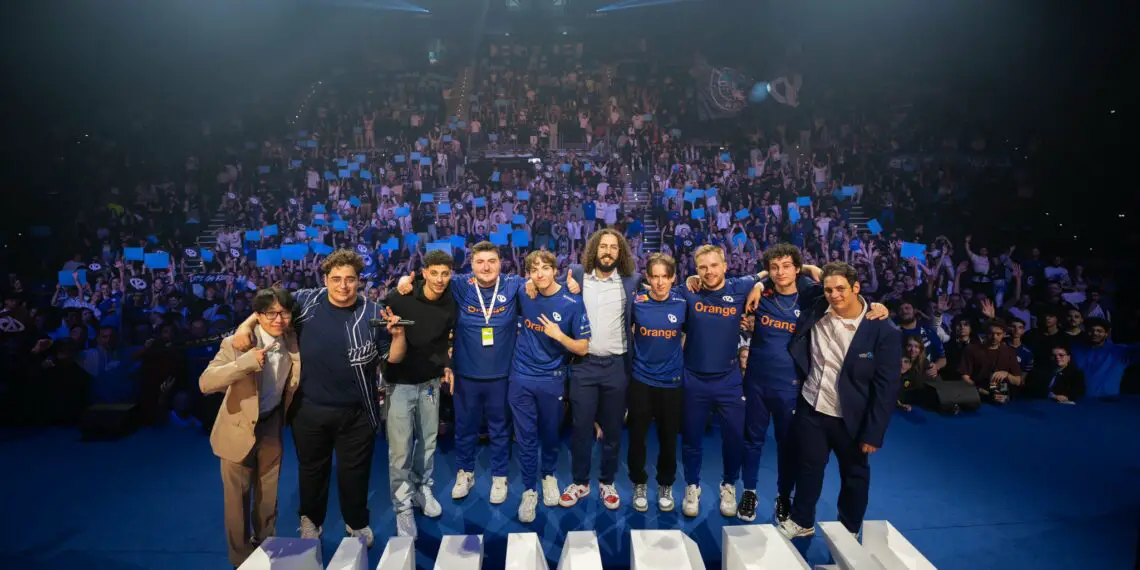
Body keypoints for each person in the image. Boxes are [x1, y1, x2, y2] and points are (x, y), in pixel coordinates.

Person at [233, 250, 407, 547]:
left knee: (355, 472)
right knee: (312, 469)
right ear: (325, 279)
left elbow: (392, 359)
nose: (343, 286)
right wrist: (246, 325)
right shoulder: (305, 300)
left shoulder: (375, 312)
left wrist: (399, 336)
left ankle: (356, 522)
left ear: (359, 281)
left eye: (350, 279)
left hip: (358, 410)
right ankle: (310, 520)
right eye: (336, 279)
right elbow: (267, 307)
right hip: (308, 408)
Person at [735, 244, 885, 523]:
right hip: (756, 382)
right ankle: (750, 491)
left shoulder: (813, 298)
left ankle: (783, 495)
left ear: (796, 268)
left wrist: (876, 306)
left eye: (787, 266)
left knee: (787, 445)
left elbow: (846, 294)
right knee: (752, 440)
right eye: (775, 267)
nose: (781, 273)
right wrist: (759, 281)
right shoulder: (759, 294)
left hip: (791, 386)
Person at [778, 262, 902, 540]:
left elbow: (887, 387)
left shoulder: (883, 330)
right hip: (812, 406)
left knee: (854, 475)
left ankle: (849, 528)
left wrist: (874, 432)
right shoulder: (818, 305)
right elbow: (796, 272)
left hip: (852, 417)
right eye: (829, 289)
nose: (834, 295)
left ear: (856, 288)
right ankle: (802, 520)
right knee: (808, 468)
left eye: (841, 289)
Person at [397, 241, 525, 505]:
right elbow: (430, 287)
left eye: (492, 261)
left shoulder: (514, 285)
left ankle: (500, 475)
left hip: (501, 375)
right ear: (471, 265)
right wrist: (403, 283)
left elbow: (543, 287)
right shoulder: (459, 285)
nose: (486, 267)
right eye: (480, 262)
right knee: (464, 429)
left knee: (500, 429)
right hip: (466, 375)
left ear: (501, 263)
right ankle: (464, 472)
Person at [199, 288, 300, 568]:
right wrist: (244, 363)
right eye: (271, 313)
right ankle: (240, 560)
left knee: (268, 497)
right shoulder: (237, 343)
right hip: (237, 428)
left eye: (284, 312)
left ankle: (268, 548)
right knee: (237, 502)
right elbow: (206, 383)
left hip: (271, 425)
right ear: (258, 315)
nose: (279, 319)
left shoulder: (292, 337)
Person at [676, 245, 763, 518]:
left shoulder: (740, 287)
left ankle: (729, 485)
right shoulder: (688, 291)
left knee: (735, 438)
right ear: (696, 269)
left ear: (725, 266)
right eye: (702, 267)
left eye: (714, 265)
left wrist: (758, 286)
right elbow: (657, 291)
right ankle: (692, 486)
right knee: (691, 438)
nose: (708, 271)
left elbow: (765, 274)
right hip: (693, 379)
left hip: (729, 380)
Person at [561, 229, 643, 510]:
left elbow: (663, 290)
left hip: (616, 366)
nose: (608, 251)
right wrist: (533, 287)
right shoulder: (575, 274)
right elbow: (545, 286)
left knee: (613, 431)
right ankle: (580, 482)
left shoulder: (632, 281)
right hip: (583, 365)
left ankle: (607, 481)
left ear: (620, 253)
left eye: (614, 247)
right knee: (581, 428)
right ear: (594, 249)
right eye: (603, 246)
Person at [381, 250, 457, 538]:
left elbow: (447, 340)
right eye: (434, 272)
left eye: (445, 273)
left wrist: (447, 365)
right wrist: (399, 282)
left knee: (427, 441)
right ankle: (402, 506)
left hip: (430, 384)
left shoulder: (451, 302)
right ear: (424, 272)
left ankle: (422, 487)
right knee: (400, 449)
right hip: (399, 383)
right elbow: (381, 318)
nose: (439, 279)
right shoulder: (402, 296)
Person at [511, 250, 591, 522]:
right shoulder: (524, 292)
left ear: (555, 269)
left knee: (550, 434)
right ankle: (529, 490)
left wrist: (560, 336)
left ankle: (548, 476)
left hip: (552, 378)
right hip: (521, 376)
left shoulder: (572, 301)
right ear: (528, 274)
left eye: (545, 268)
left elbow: (583, 347)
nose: (540, 274)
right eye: (534, 270)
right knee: (525, 437)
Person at [626, 253, 686, 513]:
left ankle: (666, 484)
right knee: (637, 436)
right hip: (641, 380)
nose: (660, 282)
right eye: (655, 277)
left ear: (673, 277)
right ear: (648, 278)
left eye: (665, 277)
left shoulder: (683, 302)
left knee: (668, 438)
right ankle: (638, 482)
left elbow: (688, 334)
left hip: (671, 382)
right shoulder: (636, 303)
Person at [959, 319, 1022, 404]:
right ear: (985, 333)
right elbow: (965, 378)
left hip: (1001, 399)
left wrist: (1006, 374)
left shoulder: (1009, 352)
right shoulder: (971, 350)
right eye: (991, 333)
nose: (994, 337)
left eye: (998, 334)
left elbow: (1018, 381)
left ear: (1003, 335)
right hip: (977, 398)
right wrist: (981, 390)